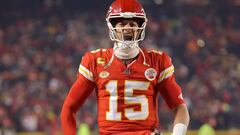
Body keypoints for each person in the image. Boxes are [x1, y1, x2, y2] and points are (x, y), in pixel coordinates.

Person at [60, 0, 190, 135]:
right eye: (121, 23)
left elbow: (179, 107)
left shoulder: (157, 61)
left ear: (141, 26)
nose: (127, 28)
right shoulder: (95, 61)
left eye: (133, 24)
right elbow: (69, 108)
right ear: (112, 26)